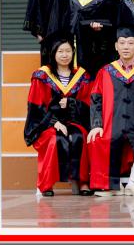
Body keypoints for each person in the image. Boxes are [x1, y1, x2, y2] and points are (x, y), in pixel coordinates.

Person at [86, 27, 134, 197]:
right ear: (116, 46)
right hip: (112, 124)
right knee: (98, 139)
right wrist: (97, 125)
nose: (126, 47)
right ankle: (110, 186)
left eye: (130, 43)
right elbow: (96, 100)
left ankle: (133, 183)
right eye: (122, 43)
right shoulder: (105, 71)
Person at [24, 38, 93, 196]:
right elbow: (36, 107)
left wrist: (72, 103)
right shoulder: (42, 76)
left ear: (73, 53)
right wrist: (54, 122)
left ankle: (83, 182)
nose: (64, 55)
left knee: (80, 136)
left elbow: (88, 104)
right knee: (55, 139)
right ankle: (46, 184)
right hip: (47, 123)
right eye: (60, 51)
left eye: (68, 51)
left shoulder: (82, 76)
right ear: (53, 54)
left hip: (74, 121)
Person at [44, 0, 115, 75]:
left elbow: (110, 28)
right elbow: (54, 26)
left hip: (93, 52)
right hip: (66, 52)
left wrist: (100, 30)